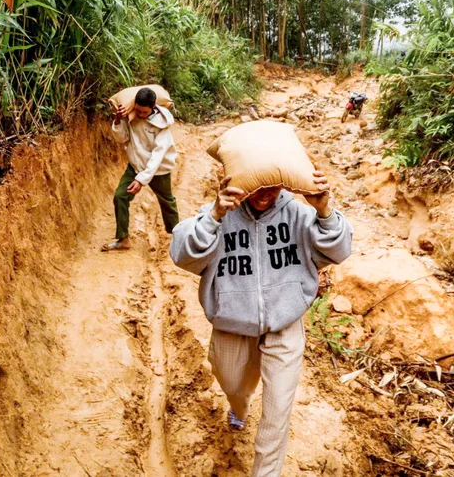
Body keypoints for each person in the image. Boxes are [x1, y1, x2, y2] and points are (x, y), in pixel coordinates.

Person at [169, 169, 352, 476]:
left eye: (273, 186)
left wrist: (325, 212)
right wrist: (214, 216)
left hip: (285, 323)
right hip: (232, 323)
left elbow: (340, 249)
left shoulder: (299, 215)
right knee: (234, 385)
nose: (265, 194)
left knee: (277, 410)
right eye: (257, 186)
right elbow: (181, 254)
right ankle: (239, 407)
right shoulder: (220, 214)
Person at [102, 87, 179, 251]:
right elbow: (121, 138)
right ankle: (123, 239)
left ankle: (178, 236)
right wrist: (118, 121)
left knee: (167, 201)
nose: (141, 115)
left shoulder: (162, 124)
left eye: (144, 112)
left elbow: (157, 156)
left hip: (158, 170)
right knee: (120, 196)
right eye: (138, 110)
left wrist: (141, 180)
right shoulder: (131, 117)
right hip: (135, 166)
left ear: (153, 107)